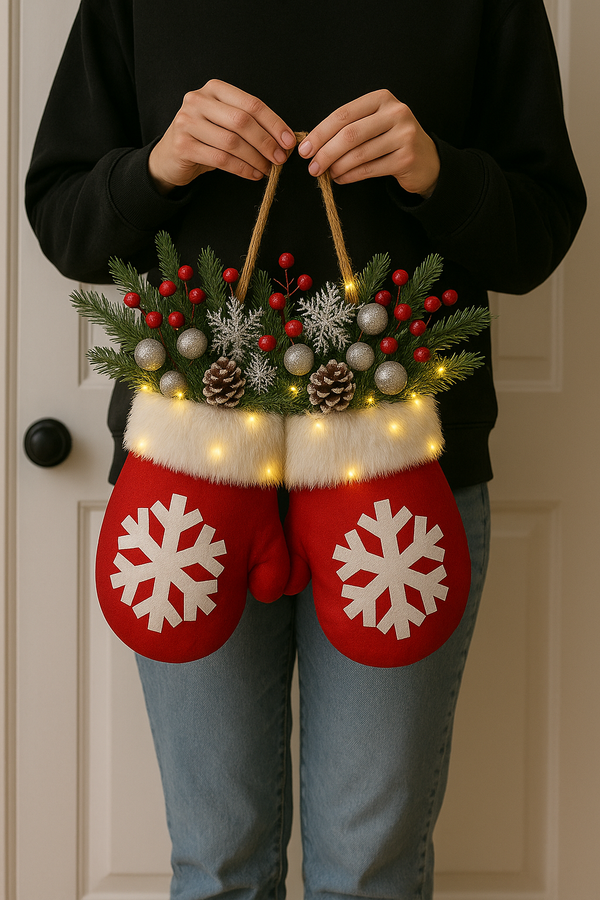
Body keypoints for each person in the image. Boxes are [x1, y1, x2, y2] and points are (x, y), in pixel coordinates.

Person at [25, 1, 586, 897]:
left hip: (403, 478)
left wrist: (437, 171)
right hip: (190, 476)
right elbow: (64, 222)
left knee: (370, 870)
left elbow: (541, 231)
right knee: (218, 867)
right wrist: (159, 168)